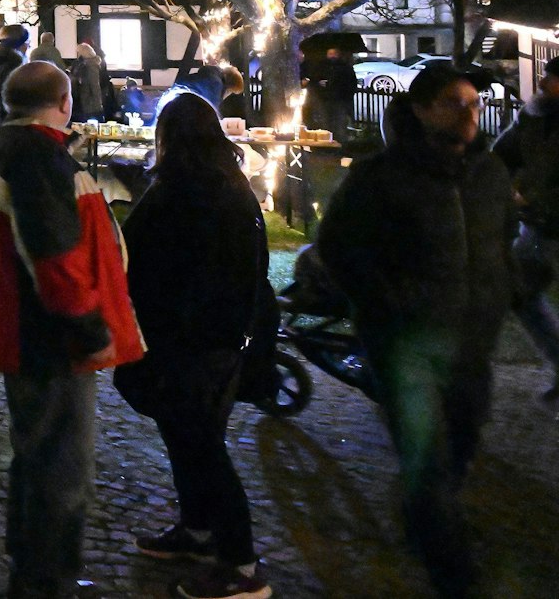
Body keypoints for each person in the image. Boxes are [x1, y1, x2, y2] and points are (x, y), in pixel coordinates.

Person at [317, 64, 514, 598]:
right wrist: (385, 303)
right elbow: (336, 245)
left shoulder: (490, 174)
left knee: (462, 447)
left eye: (474, 103)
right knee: (427, 463)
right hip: (407, 347)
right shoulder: (381, 177)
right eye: (455, 102)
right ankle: (455, 578)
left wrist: (510, 285)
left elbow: (501, 242)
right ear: (423, 110)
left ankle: (423, 518)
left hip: (473, 343)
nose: (470, 113)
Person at [0, 61, 144, 599]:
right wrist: (90, 331)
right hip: (50, 340)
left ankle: (31, 568)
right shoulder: (38, 160)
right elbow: (55, 260)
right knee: (63, 471)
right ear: (65, 104)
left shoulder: (0, 151)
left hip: (24, 332)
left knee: (37, 455)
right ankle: (46, 583)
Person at [113, 94, 272, 599]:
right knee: (190, 442)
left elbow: (139, 257)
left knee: (202, 448)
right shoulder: (232, 187)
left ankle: (241, 565)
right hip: (221, 340)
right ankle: (198, 530)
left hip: (190, 343)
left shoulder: (182, 194)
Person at [496, 55, 559, 401]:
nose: (544, 83)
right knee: (522, 294)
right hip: (540, 227)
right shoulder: (533, 118)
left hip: (542, 217)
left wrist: (534, 199)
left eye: (553, 78)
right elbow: (502, 154)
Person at [0, 24, 31, 137]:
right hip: (8, 124)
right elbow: (14, 96)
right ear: (20, 44)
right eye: (27, 43)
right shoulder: (13, 65)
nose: (28, 47)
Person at [305, 47, 358, 137]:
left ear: (338, 55)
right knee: (325, 124)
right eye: (330, 54)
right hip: (324, 100)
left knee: (339, 124)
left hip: (339, 100)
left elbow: (351, 83)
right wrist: (319, 84)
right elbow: (314, 80)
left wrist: (345, 96)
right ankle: (327, 145)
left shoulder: (345, 67)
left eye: (335, 53)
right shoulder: (321, 67)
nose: (332, 56)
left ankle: (339, 144)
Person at [69, 43, 108, 124]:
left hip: (89, 103)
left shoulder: (91, 66)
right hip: (83, 101)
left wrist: (98, 106)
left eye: (78, 52)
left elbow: (95, 86)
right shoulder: (83, 64)